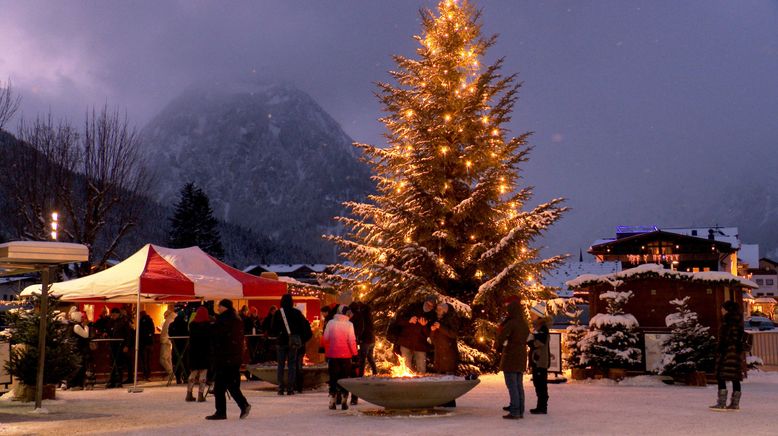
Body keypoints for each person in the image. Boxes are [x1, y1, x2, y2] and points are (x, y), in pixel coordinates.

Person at [206, 299, 251, 420]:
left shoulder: (225, 319)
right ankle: (242, 405)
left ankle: (222, 411)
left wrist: (211, 325)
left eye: (219, 306)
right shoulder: (235, 318)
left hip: (225, 357)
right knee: (231, 384)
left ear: (224, 307)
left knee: (221, 386)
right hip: (233, 357)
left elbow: (218, 333)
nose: (218, 308)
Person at [271, 293, 312, 395]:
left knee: (280, 365)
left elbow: (273, 329)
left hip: (281, 342)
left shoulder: (278, 313)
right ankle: (290, 387)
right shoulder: (297, 313)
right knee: (292, 364)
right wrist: (302, 340)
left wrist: (279, 334)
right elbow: (305, 327)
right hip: (293, 342)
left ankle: (280, 387)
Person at [710, 300, 747, 411]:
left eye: (723, 308)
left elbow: (724, 340)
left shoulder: (727, 323)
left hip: (727, 354)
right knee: (735, 378)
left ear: (728, 310)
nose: (721, 310)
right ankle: (735, 404)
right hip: (736, 354)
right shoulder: (738, 322)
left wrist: (719, 350)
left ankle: (721, 403)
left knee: (721, 376)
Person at [496, 299, 529, 420]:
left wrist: (500, 345)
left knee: (512, 385)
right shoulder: (524, 324)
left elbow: (502, 338)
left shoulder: (511, 323)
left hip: (511, 356)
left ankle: (515, 410)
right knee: (519, 385)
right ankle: (520, 409)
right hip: (521, 356)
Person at [322, 305, 358, 410]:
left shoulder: (330, 323)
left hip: (333, 355)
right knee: (344, 378)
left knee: (333, 378)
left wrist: (327, 349)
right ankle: (344, 400)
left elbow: (326, 338)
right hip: (346, 356)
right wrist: (354, 354)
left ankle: (332, 401)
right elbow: (352, 341)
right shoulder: (349, 325)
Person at [393, 294, 437, 374]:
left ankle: (421, 385)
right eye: (428, 304)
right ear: (425, 302)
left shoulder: (432, 315)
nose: (429, 307)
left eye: (431, 306)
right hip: (406, 342)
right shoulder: (413, 307)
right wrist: (409, 320)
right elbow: (398, 320)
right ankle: (407, 385)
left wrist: (424, 326)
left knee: (421, 369)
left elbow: (430, 333)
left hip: (420, 345)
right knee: (406, 368)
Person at [528, 303, 550, 415]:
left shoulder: (542, 328)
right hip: (537, 360)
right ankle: (540, 406)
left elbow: (539, 343)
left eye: (533, 314)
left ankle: (542, 407)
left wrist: (531, 340)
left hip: (540, 361)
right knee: (538, 383)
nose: (531, 315)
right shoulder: (538, 327)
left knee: (541, 384)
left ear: (538, 315)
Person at [187, 307, 212, 402]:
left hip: (194, 352)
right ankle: (200, 395)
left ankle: (189, 393)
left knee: (193, 373)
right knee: (203, 374)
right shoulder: (208, 326)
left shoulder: (192, 325)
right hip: (205, 352)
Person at [106, 308, 132, 388]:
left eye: (115, 314)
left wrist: (126, 345)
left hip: (121, 346)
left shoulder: (124, 322)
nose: (113, 316)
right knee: (113, 364)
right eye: (112, 314)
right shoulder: (110, 322)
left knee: (119, 364)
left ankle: (118, 381)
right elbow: (109, 332)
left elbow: (128, 335)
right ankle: (112, 381)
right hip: (112, 345)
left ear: (118, 314)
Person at [67, 309, 90, 390]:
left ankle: (75, 384)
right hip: (77, 349)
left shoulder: (71, 325)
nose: (82, 318)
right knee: (79, 366)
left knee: (77, 366)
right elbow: (85, 335)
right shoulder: (76, 326)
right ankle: (75, 384)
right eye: (81, 317)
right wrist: (86, 326)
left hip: (74, 348)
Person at [169, 310, 190, 384]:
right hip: (184, 345)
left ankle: (178, 377)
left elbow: (170, 334)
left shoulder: (172, 324)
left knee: (176, 361)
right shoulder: (185, 324)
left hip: (175, 346)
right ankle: (186, 377)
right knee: (185, 361)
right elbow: (188, 333)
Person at [138, 311, 155, 381]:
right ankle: (148, 374)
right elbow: (152, 330)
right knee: (148, 360)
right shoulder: (150, 320)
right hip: (149, 343)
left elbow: (140, 331)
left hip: (143, 343)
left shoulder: (142, 321)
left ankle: (145, 374)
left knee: (144, 360)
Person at [159, 310, 176, 381]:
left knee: (163, 359)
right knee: (168, 359)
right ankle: (171, 374)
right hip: (169, 341)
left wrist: (163, 339)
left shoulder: (168, 321)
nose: (164, 317)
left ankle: (171, 373)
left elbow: (165, 332)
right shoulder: (172, 319)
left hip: (166, 341)